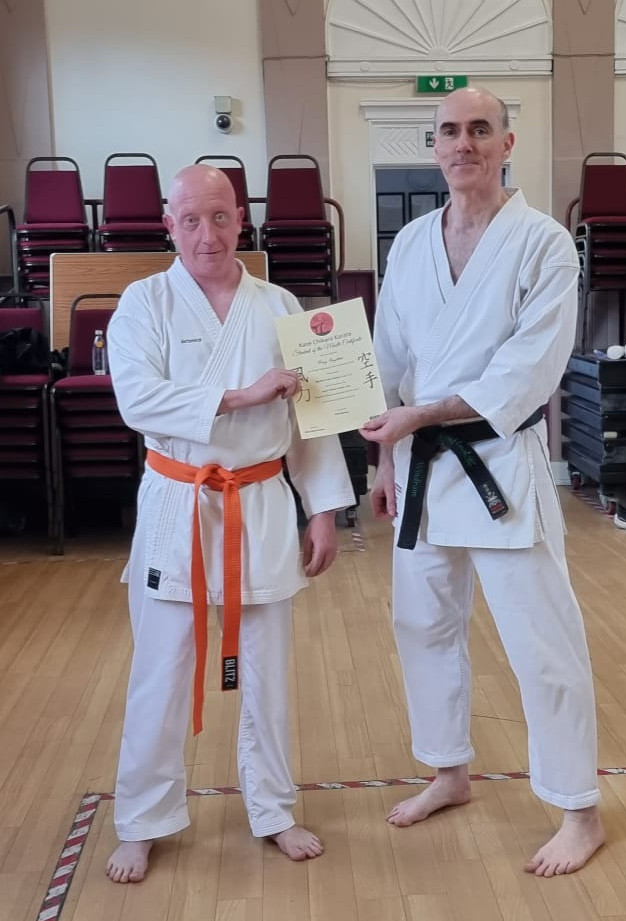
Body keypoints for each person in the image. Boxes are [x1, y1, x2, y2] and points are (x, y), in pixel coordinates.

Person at [360, 87, 605, 878]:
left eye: (478, 130)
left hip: (497, 462)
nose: (462, 143)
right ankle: (449, 770)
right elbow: (389, 359)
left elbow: (527, 371)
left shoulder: (543, 243)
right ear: (432, 146)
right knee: (423, 624)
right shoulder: (410, 244)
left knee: (542, 640)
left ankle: (580, 809)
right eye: (448, 132)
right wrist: (385, 458)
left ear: (506, 144)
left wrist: (421, 417)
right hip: (419, 466)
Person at [105, 164, 355, 883]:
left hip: (261, 502)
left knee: (267, 674)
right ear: (169, 225)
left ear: (241, 219)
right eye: (190, 220)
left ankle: (273, 809)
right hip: (177, 503)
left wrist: (324, 511)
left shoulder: (280, 305)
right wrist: (242, 395)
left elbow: (312, 419)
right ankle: (142, 820)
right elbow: (138, 400)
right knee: (161, 672)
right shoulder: (144, 302)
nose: (206, 234)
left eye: (219, 217)